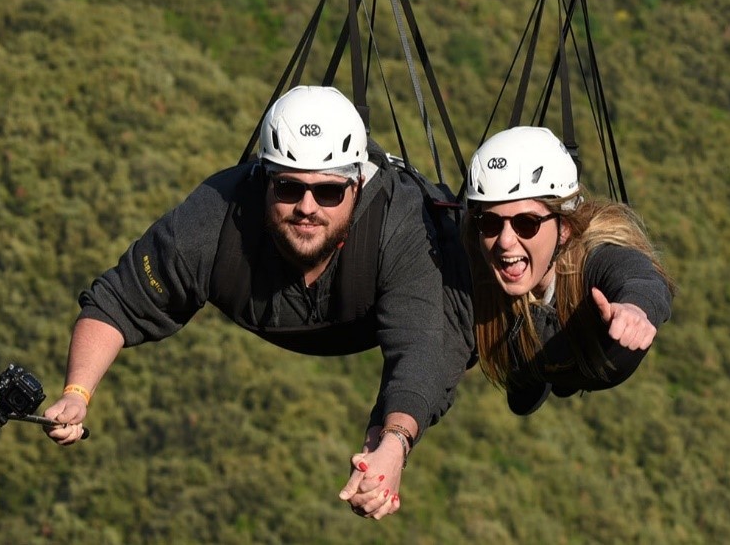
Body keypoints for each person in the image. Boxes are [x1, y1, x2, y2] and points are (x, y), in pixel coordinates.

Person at [41, 86, 474, 520]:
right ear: (263, 177)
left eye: (328, 192)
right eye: (288, 187)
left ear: (358, 183)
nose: (307, 207)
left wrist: (393, 442)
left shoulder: (398, 225)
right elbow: (117, 301)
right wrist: (77, 393)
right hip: (279, 305)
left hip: (424, 310)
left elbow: (418, 351)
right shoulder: (214, 219)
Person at [462, 126, 674, 416]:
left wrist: (636, 309)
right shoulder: (476, 261)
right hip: (534, 355)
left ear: (564, 228)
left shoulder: (592, 259)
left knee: (548, 356)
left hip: (591, 359)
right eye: (489, 223)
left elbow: (638, 275)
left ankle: (538, 369)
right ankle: (529, 370)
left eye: (526, 223)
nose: (504, 241)